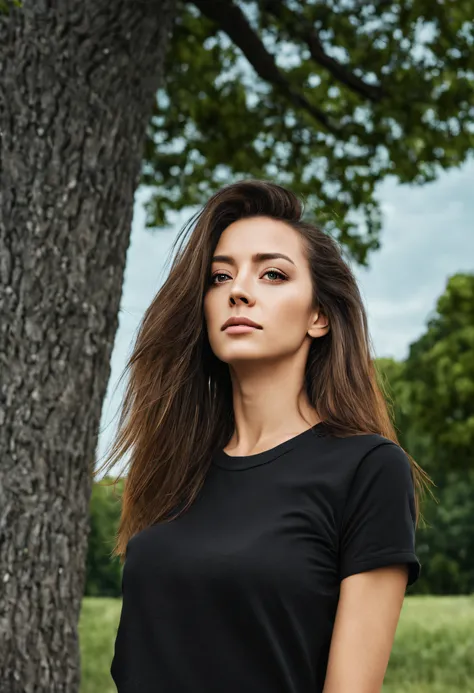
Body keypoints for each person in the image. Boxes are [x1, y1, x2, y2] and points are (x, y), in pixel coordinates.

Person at [98, 179, 434, 693]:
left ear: (318, 316)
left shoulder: (368, 469)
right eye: (219, 276)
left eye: (272, 273)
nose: (238, 290)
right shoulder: (174, 469)